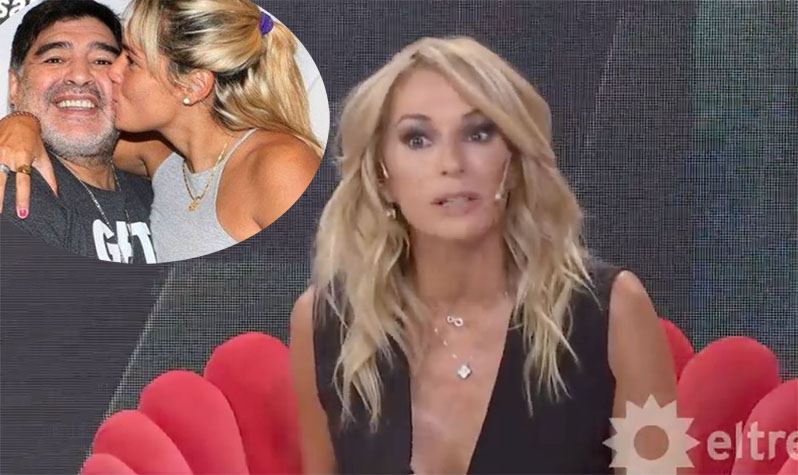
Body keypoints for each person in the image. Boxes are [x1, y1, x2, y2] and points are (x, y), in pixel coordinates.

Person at [289, 37, 676, 473]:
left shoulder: (613, 311)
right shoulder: (325, 324)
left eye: (478, 134)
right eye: (417, 139)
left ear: (513, 160)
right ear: (382, 174)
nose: (452, 163)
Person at [0, 0, 323, 262]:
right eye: (55, 59)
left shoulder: (279, 166)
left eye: (130, 60)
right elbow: (75, 135)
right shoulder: (160, 158)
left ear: (192, 85)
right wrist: (21, 120)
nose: (111, 72)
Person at [1, 0, 156, 263]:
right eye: (55, 59)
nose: (80, 76)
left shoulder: (164, 188)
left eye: (101, 61)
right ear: (14, 86)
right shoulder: (16, 194)